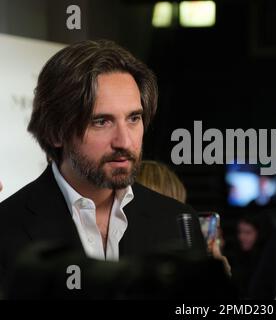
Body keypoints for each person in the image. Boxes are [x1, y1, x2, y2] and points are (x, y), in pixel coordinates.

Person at [0, 40, 206, 285]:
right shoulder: (6, 228)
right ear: (56, 133)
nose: (125, 141)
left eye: (133, 118)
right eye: (101, 121)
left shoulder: (178, 221)